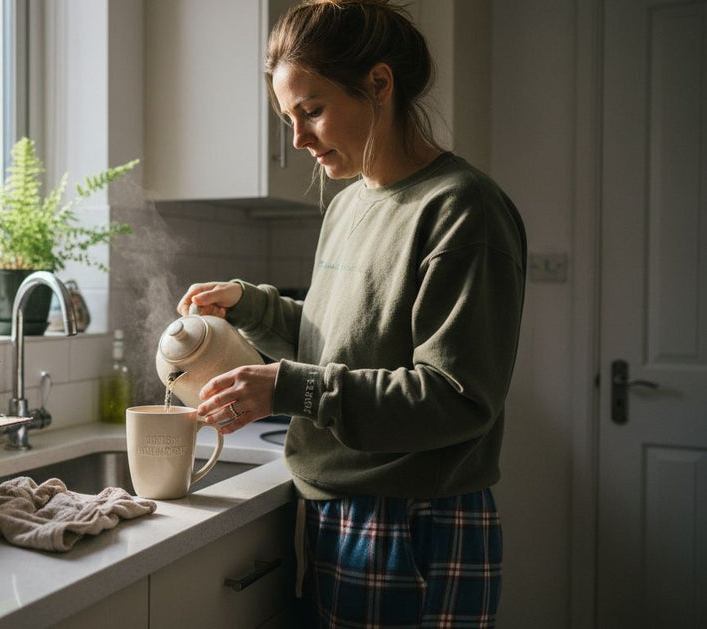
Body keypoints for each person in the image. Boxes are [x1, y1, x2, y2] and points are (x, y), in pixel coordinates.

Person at [177, 1, 526, 626]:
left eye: (312, 110)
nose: (298, 138)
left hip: (415, 522)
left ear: (379, 84)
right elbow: (332, 339)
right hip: (336, 510)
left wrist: (293, 388)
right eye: (289, 117)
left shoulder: (462, 209)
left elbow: (456, 396)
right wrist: (248, 304)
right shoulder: (347, 206)